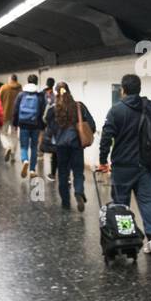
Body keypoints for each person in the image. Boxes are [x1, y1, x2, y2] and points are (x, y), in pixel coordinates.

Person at [97, 73, 151, 254]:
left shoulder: (116, 110)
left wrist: (103, 160)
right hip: (146, 165)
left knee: (121, 204)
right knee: (148, 201)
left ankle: (124, 237)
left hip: (123, 166)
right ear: (139, 88)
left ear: (123, 90)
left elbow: (106, 137)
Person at [43, 82, 96, 211]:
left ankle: (66, 203)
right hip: (76, 144)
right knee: (78, 171)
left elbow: (46, 123)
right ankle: (78, 191)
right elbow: (92, 125)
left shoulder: (53, 109)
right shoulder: (79, 106)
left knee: (63, 173)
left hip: (60, 147)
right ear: (69, 91)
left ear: (56, 93)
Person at [13, 74, 48, 179]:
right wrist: (43, 126)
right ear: (36, 82)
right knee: (33, 147)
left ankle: (25, 160)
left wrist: (15, 124)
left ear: (27, 82)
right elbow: (43, 111)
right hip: (36, 125)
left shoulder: (21, 95)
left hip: (23, 124)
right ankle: (32, 170)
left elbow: (15, 110)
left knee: (23, 146)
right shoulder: (40, 95)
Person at [0, 74, 22, 162]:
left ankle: (7, 146)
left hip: (5, 115)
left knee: (2, 133)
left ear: (10, 79)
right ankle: (13, 156)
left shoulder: (4, 88)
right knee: (14, 135)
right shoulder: (20, 89)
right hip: (16, 116)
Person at [43, 78, 58, 181]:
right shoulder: (56, 96)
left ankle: (53, 174)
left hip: (53, 128)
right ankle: (67, 177)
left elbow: (46, 117)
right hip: (67, 134)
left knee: (55, 153)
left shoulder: (42, 94)